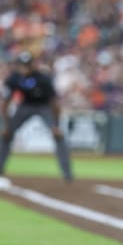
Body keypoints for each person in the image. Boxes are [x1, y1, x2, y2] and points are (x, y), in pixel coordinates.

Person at [0, 52, 73, 182]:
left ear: (33, 65)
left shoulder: (43, 79)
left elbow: (54, 104)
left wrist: (55, 126)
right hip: (25, 105)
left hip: (44, 106)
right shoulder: (14, 78)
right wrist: (6, 126)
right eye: (22, 65)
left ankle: (67, 174)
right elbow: (6, 103)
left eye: (27, 65)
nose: (25, 68)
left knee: (58, 136)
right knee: (6, 135)